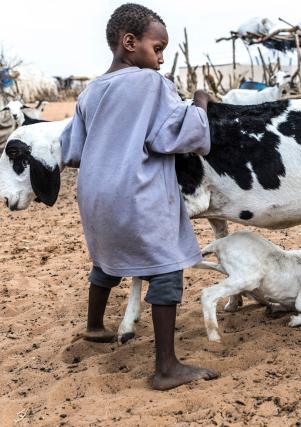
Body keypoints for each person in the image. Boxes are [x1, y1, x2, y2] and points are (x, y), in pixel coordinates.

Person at [60, 3, 218, 390]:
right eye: (158, 48)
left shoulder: (89, 92)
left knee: (108, 260)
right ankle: (166, 367)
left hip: (96, 198)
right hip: (138, 193)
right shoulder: (151, 84)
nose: (161, 58)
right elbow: (177, 135)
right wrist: (199, 102)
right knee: (166, 267)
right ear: (129, 43)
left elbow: (73, 151)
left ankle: (95, 327)